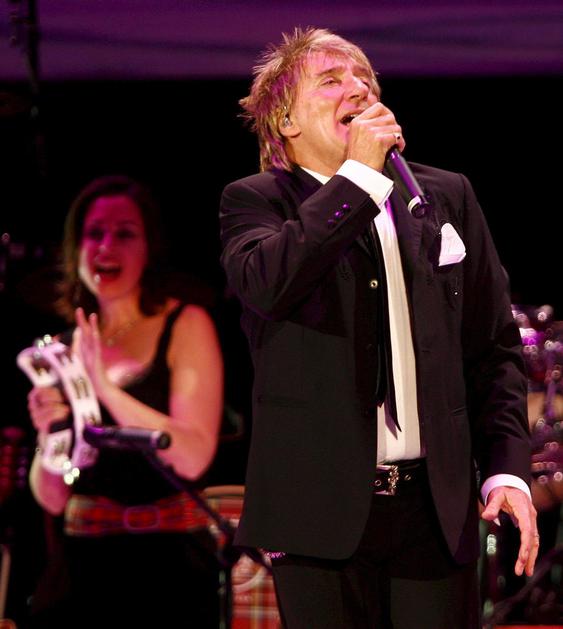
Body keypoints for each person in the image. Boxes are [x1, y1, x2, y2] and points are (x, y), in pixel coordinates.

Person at [219, 27, 539, 628]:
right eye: (330, 81)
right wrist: (360, 179)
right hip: (317, 513)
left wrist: (506, 469)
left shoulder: (444, 196)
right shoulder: (257, 201)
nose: (358, 89)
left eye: (365, 79)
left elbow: (493, 349)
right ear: (285, 121)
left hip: (433, 510)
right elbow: (270, 283)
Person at [25, 175, 224, 628]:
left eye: (124, 233)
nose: (106, 246)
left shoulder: (185, 323)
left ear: (149, 248)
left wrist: (106, 390)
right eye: (94, 233)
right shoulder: (63, 348)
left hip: (170, 568)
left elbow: (193, 456)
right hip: (83, 567)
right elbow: (52, 499)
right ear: (75, 249)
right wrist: (49, 433)